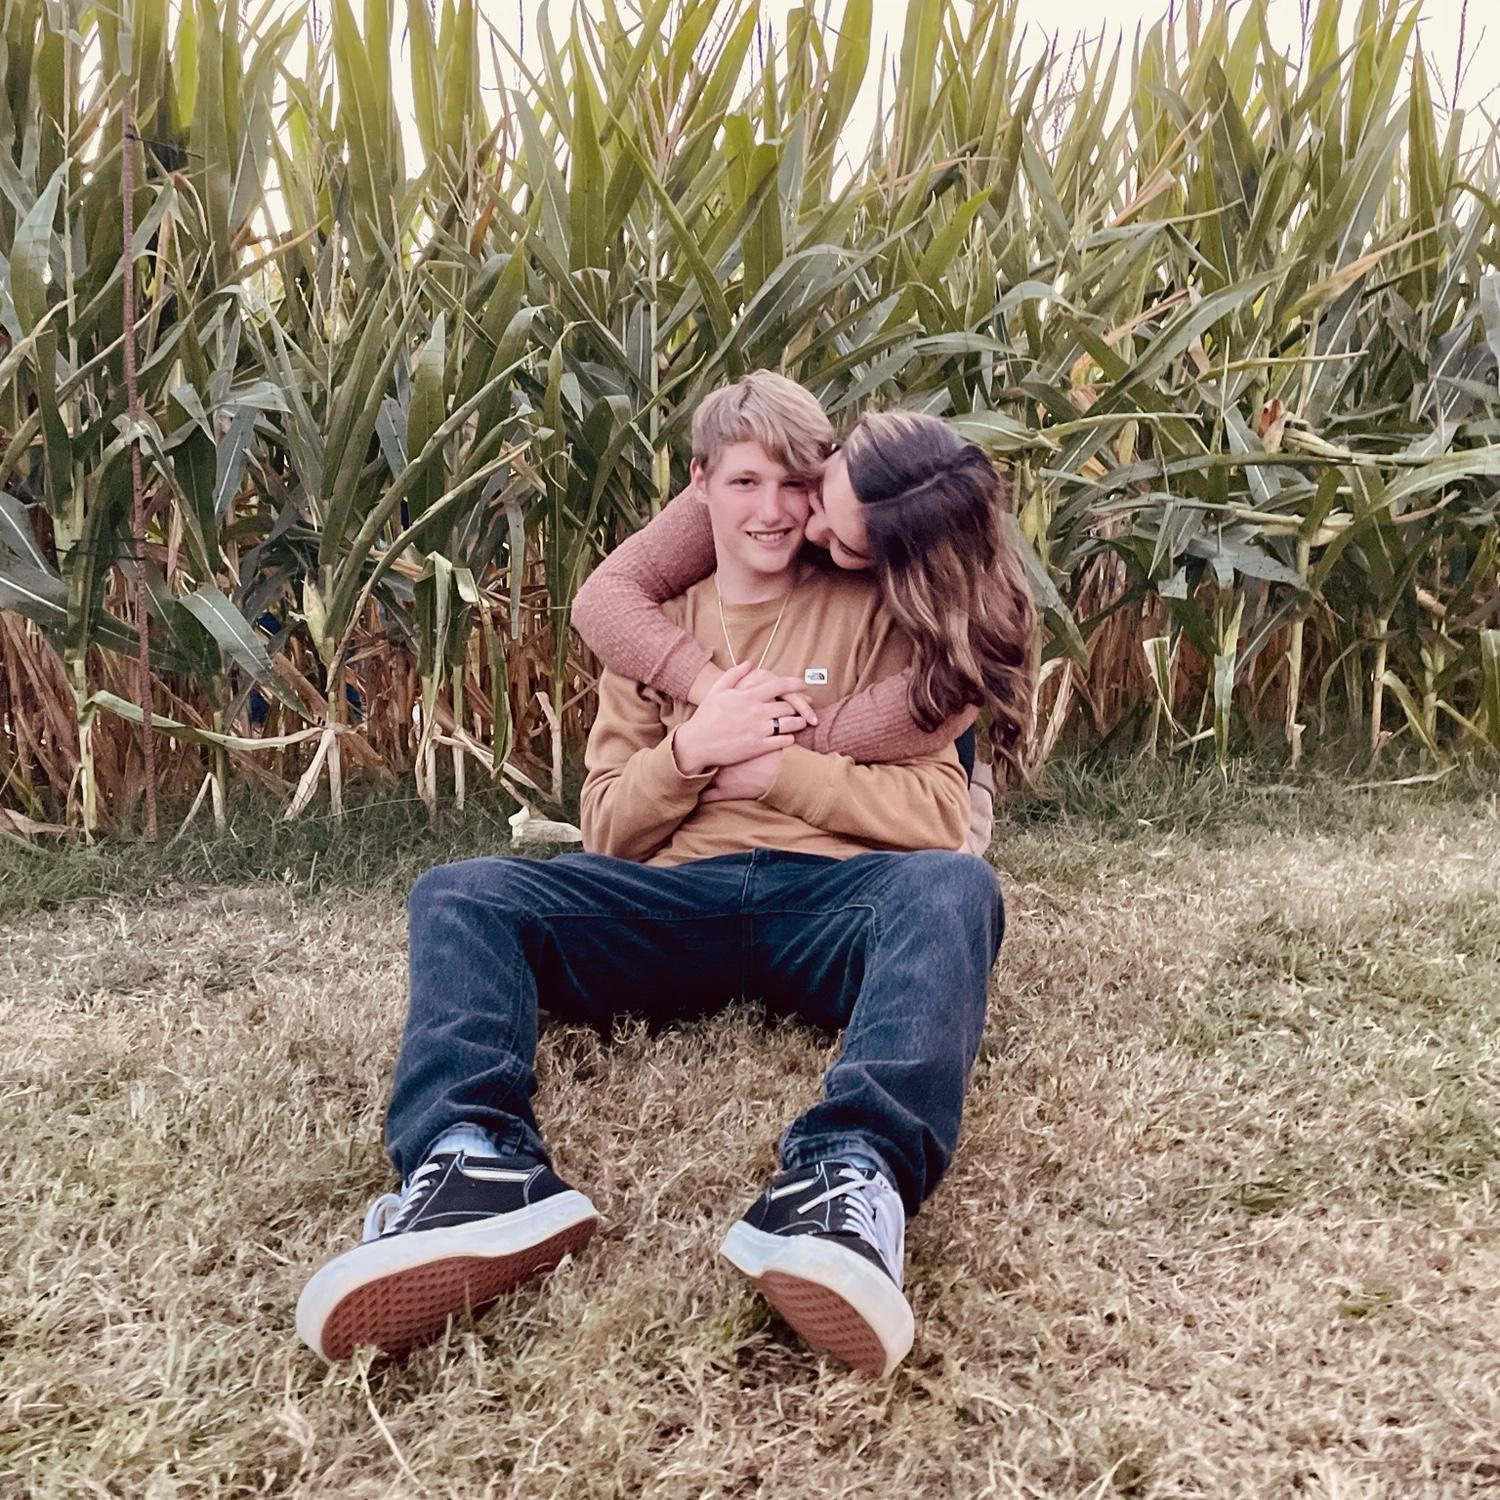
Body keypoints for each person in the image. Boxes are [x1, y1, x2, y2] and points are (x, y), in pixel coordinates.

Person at [295, 372, 1010, 1378]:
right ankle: (474, 1165)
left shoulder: (882, 606)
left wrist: (779, 771)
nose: (775, 511)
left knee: (956, 894)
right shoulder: (650, 627)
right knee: (461, 892)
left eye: (796, 485)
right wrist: (691, 752)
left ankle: (849, 1179)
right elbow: (607, 835)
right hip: (671, 902)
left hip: (833, 904)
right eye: (746, 482)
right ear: (698, 486)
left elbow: (940, 821)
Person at [570, 404, 1038, 851]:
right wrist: (718, 694)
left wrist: (760, 748)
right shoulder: (756, 488)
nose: (809, 530)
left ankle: (967, 826)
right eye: (815, 494)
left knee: (948, 866)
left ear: (898, 568)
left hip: (915, 689)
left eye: (842, 545)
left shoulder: (950, 618)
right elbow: (602, 600)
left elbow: (936, 704)